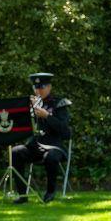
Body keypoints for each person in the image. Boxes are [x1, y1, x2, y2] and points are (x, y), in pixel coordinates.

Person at [10, 73, 71, 204]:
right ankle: (22, 195)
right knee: (15, 152)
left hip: (54, 146)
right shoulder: (31, 104)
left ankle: (50, 192)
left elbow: (65, 131)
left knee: (51, 156)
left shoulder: (59, 104)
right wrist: (27, 110)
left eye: (42, 87)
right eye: (36, 88)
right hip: (35, 145)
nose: (39, 91)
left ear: (49, 87)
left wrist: (47, 116)